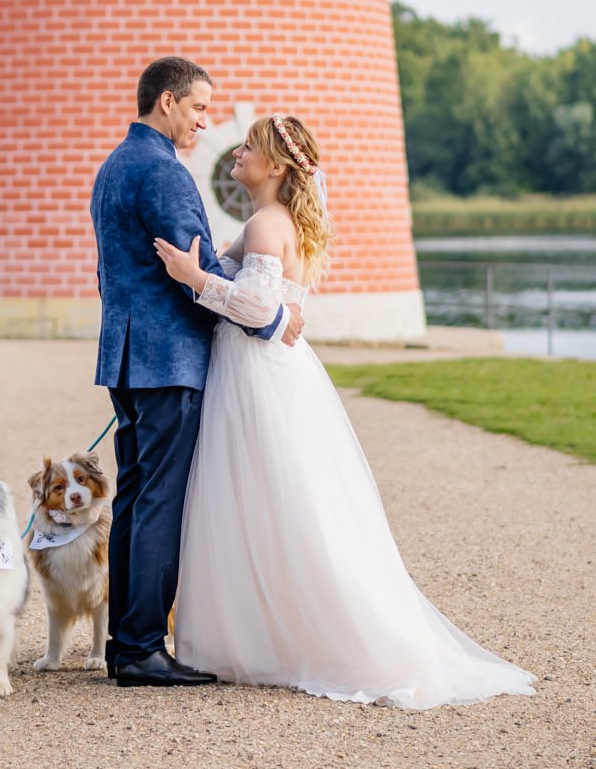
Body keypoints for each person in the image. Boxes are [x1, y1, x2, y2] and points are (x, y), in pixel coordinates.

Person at [154, 113, 536, 710]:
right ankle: (269, 633)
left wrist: (193, 276)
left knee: (270, 497)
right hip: (276, 372)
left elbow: (257, 311)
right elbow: (270, 302)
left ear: (276, 166)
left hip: (258, 374)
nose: (236, 156)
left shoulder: (264, 224)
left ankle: (289, 637)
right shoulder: (274, 223)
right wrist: (207, 268)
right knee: (278, 498)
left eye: (247, 148)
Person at [90, 59, 305, 689]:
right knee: (158, 500)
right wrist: (271, 321)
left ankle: (124, 643)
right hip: (168, 360)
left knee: (134, 496)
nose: (205, 122)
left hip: (127, 355)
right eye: (199, 108)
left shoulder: (114, 166)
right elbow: (196, 270)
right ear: (166, 102)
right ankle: (140, 649)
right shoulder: (165, 173)